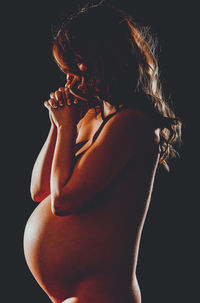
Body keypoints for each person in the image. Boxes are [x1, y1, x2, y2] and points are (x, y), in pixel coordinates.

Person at [23, 2, 182, 303]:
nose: (70, 79)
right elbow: (40, 189)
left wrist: (68, 128)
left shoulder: (132, 124)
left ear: (104, 59)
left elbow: (64, 200)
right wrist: (58, 126)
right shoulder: (89, 116)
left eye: (76, 67)